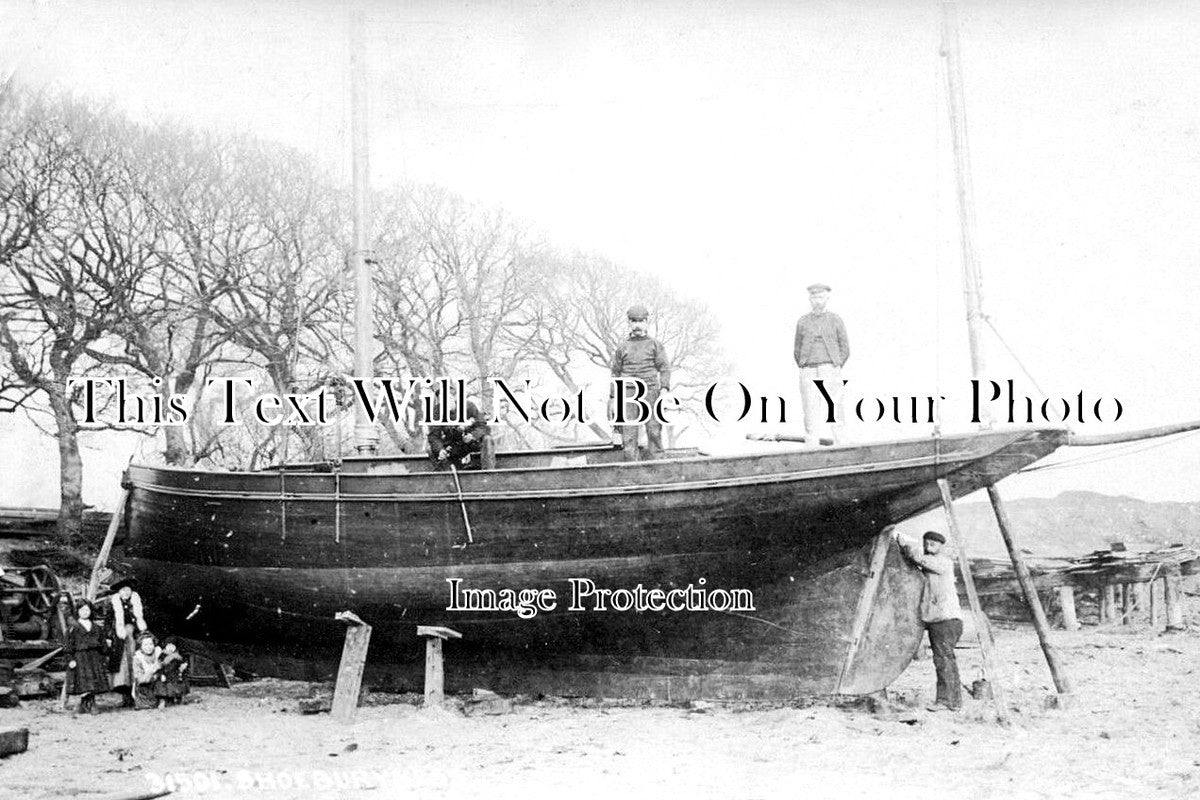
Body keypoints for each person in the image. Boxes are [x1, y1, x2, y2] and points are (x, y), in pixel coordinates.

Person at [895, 529, 963, 712]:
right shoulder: (930, 565)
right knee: (945, 658)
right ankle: (953, 702)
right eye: (926, 543)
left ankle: (947, 701)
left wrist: (903, 542)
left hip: (946, 619)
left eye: (933, 543)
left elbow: (920, 559)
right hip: (939, 619)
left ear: (941, 546)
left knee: (943, 659)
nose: (928, 546)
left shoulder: (943, 563)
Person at [609, 304, 672, 461]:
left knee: (654, 430)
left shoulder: (655, 345)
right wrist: (612, 398)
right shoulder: (622, 346)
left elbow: (664, 368)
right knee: (629, 435)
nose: (637, 325)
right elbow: (615, 373)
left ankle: (659, 466)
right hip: (628, 393)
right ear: (629, 323)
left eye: (640, 321)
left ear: (646, 322)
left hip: (650, 391)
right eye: (633, 321)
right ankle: (632, 470)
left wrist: (664, 389)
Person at [793, 283, 849, 445]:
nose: (818, 301)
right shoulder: (803, 322)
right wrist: (805, 364)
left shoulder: (835, 320)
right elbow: (797, 349)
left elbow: (844, 348)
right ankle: (811, 447)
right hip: (809, 369)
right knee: (810, 409)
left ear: (827, 298)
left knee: (835, 407)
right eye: (815, 297)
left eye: (821, 297)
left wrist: (835, 365)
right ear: (810, 299)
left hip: (830, 368)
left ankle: (842, 444)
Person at [426, 387, 489, 471]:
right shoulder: (436, 412)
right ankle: (447, 477)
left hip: (471, 444)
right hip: (454, 446)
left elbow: (482, 425)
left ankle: (488, 472)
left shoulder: (469, 406)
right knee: (430, 449)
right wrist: (440, 450)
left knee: (487, 439)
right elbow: (434, 436)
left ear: (453, 398)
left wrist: (473, 435)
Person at [65, 599, 110, 715]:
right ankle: (87, 703)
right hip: (80, 657)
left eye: (87, 609)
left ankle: (89, 703)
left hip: (94, 656)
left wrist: (104, 652)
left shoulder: (96, 627)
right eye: (82, 610)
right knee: (84, 681)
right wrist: (70, 660)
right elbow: (68, 646)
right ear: (77, 611)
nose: (85, 612)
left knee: (93, 681)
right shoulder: (73, 628)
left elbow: (103, 643)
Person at [107, 578, 146, 708]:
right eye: (123, 590)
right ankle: (125, 696)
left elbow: (141, 620)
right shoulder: (114, 604)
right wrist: (109, 636)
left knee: (135, 664)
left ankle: (137, 696)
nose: (126, 593)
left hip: (134, 638)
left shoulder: (136, 603)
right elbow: (108, 621)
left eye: (128, 590)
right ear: (119, 591)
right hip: (120, 639)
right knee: (123, 667)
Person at [154, 637, 189, 708]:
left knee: (180, 683)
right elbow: (159, 664)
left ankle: (179, 697)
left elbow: (183, 662)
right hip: (165, 674)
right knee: (162, 684)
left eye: (172, 646)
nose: (170, 648)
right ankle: (163, 700)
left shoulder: (178, 656)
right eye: (168, 645)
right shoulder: (163, 654)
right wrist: (161, 673)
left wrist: (183, 666)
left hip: (175, 674)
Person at [131, 632, 162, 710]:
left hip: (158, 685)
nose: (148, 647)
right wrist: (152, 670)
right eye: (145, 645)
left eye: (151, 644)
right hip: (144, 687)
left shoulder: (158, 653)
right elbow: (140, 679)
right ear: (140, 646)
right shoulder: (138, 658)